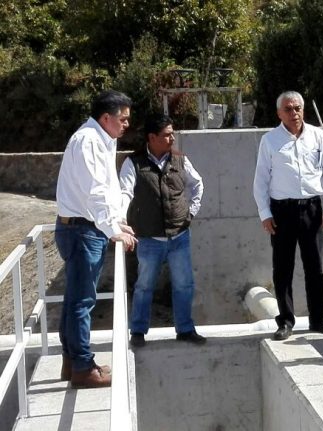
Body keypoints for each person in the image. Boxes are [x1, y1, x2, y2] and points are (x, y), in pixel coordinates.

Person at [55, 90, 138, 388]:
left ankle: (72, 361)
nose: (126, 124)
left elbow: (108, 186)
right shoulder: (89, 140)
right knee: (82, 301)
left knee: (74, 299)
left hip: (82, 227)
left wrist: (117, 222)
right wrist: (110, 228)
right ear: (106, 118)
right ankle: (82, 367)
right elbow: (96, 190)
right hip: (82, 230)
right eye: (123, 119)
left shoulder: (101, 138)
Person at [253, 91, 323, 341]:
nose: (295, 113)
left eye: (298, 108)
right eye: (289, 109)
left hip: (312, 208)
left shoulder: (317, 135)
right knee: (283, 268)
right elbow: (261, 181)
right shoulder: (270, 141)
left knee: (316, 266)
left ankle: (319, 318)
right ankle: (286, 321)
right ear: (279, 113)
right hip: (282, 210)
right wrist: (265, 213)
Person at [119, 114, 206, 348]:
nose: (172, 138)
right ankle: (138, 331)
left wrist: (191, 212)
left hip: (179, 235)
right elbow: (124, 192)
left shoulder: (180, 160)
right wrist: (120, 218)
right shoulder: (133, 163)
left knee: (184, 284)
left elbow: (197, 184)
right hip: (149, 238)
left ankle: (185, 329)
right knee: (144, 286)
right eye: (167, 134)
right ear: (152, 137)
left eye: (172, 133)